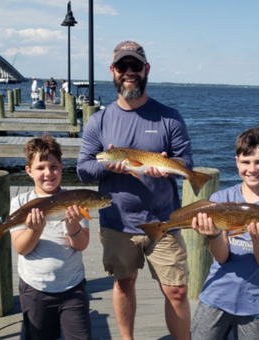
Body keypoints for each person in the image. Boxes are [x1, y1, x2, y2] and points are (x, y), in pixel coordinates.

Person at [77, 40, 192, 340]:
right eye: (122, 66)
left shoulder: (170, 117)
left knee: (177, 291)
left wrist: (169, 164)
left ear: (146, 69)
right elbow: (83, 169)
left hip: (164, 221)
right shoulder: (98, 121)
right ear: (112, 71)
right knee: (123, 283)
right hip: (117, 223)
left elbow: (186, 162)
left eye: (135, 66)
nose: (129, 72)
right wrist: (107, 165)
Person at [190, 125, 259, 340]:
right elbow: (221, 257)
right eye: (246, 162)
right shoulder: (220, 199)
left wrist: (257, 237)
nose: (252, 168)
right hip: (216, 294)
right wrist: (214, 235)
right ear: (237, 161)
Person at [10, 134, 91, 340]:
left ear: (62, 167)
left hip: (73, 286)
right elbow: (21, 248)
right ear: (29, 171)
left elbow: (81, 245)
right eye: (40, 168)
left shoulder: (76, 200)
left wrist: (73, 225)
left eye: (54, 167)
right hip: (35, 287)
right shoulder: (20, 202)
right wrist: (34, 230)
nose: (48, 173)